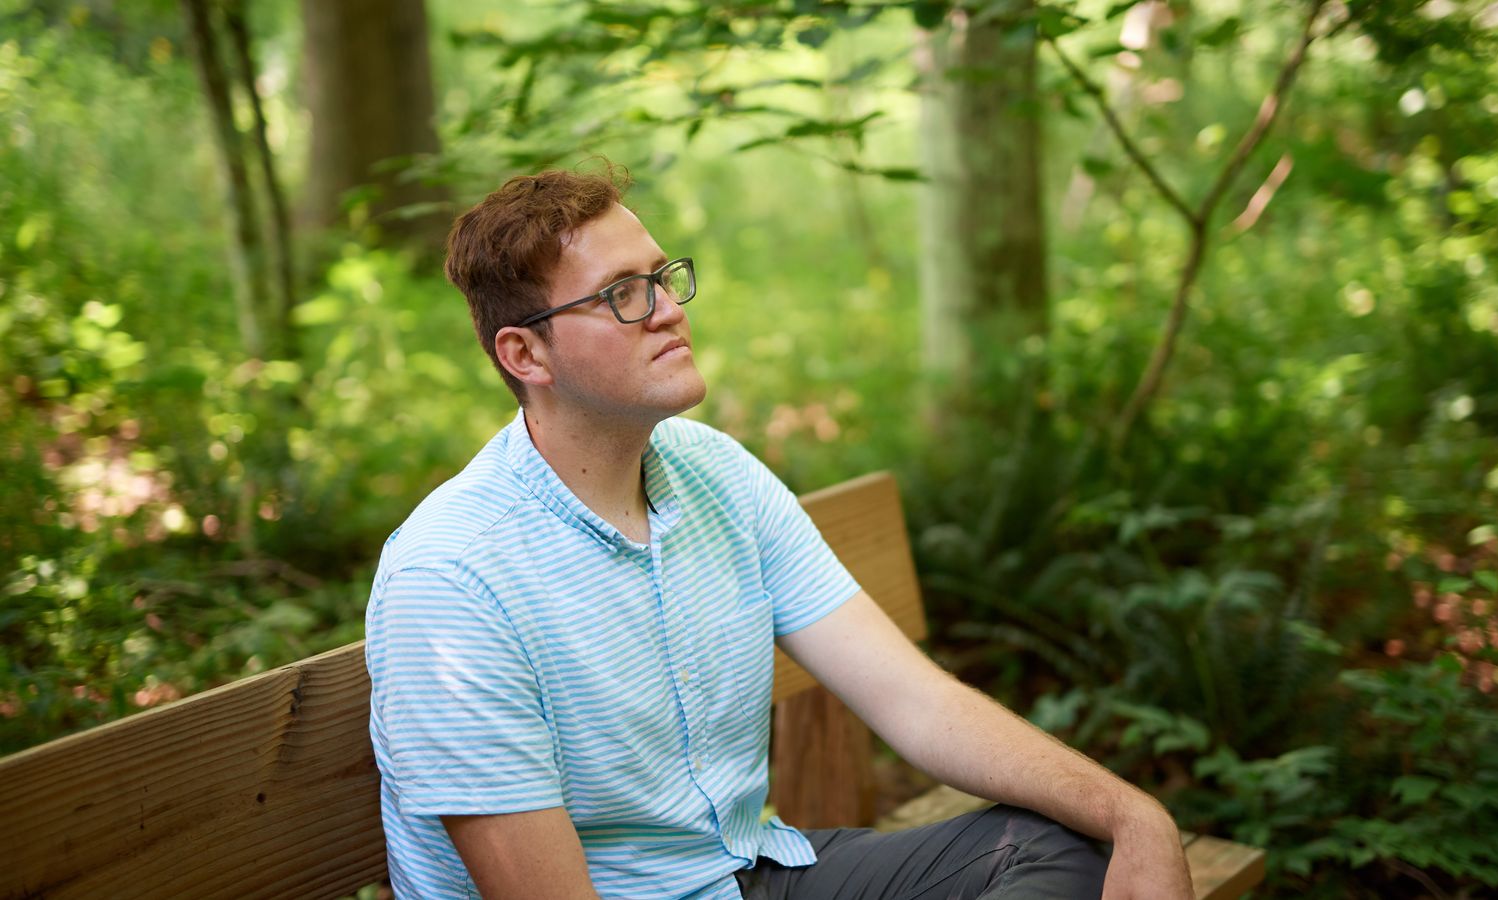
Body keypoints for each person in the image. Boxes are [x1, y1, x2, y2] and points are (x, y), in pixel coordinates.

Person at [364, 165, 1195, 900]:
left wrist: (1132, 812)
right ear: (525, 355)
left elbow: (915, 702)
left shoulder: (713, 471)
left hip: (747, 873)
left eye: (662, 275)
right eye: (622, 293)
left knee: (1071, 851)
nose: (665, 311)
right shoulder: (452, 580)